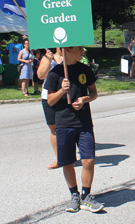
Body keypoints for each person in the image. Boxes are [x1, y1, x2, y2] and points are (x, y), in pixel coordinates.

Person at [45, 46, 103, 213]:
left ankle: (86, 196)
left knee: (89, 160)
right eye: (79, 49)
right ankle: (74, 195)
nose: (82, 52)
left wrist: (84, 99)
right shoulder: (55, 73)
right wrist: (62, 90)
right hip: (64, 123)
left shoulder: (85, 69)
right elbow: (49, 101)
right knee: (68, 162)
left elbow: (93, 93)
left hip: (84, 122)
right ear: (67, 50)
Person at [38, 48, 63, 170]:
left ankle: (69, 155)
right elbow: (41, 75)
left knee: (67, 128)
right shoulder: (47, 58)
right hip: (48, 97)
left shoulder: (67, 58)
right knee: (54, 129)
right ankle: (59, 158)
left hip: (64, 98)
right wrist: (48, 60)